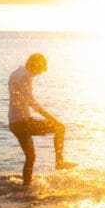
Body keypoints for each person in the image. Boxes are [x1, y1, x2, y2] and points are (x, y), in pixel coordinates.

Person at [8, 53, 76, 186]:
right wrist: (53, 119)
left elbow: (25, 100)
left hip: (15, 122)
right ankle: (59, 163)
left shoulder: (18, 72)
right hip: (22, 123)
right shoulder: (25, 76)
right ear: (35, 65)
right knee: (60, 127)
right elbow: (32, 102)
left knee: (31, 157)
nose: (39, 74)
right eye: (39, 70)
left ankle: (26, 187)